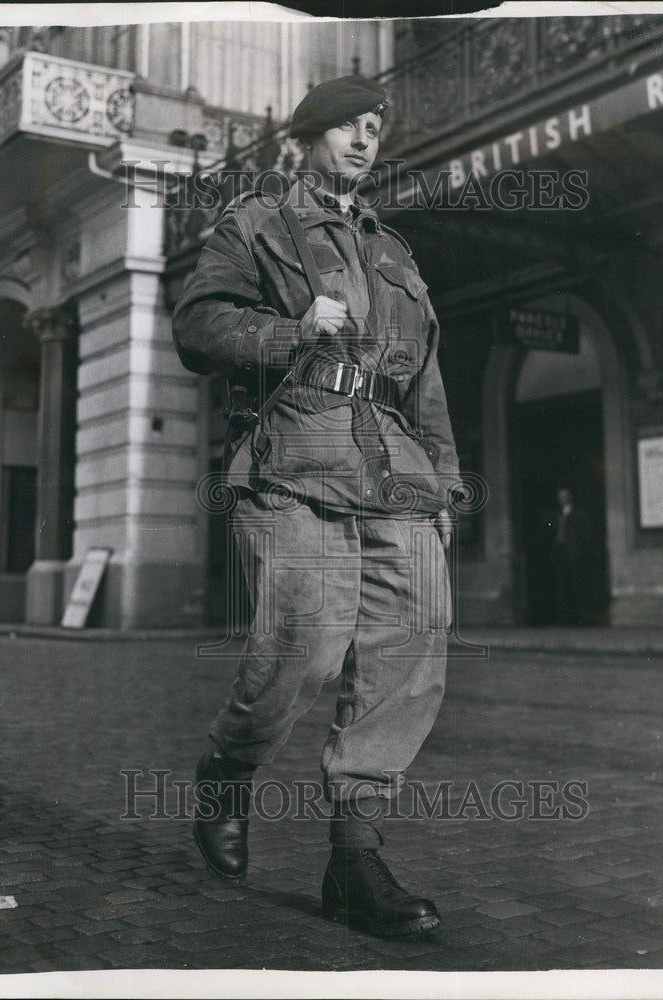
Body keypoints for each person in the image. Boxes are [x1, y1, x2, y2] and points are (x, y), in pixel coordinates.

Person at [172, 75, 461, 939]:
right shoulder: (254, 223)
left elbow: (429, 381)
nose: (365, 141)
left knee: (411, 655)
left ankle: (354, 861)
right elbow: (200, 325)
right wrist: (293, 328)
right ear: (305, 138)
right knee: (305, 643)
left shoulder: (396, 253)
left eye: (375, 127)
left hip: (396, 469)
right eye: (347, 127)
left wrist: (443, 484)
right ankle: (228, 770)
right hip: (296, 452)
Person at [552, 487, 593, 625]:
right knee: (563, 586)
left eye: (564, 496)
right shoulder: (559, 514)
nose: (562, 499)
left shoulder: (578, 514)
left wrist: (580, 549)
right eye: (560, 497)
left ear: (569, 497)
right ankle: (565, 619)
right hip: (561, 553)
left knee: (578, 585)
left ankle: (582, 618)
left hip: (574, 554)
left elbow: (586, 534)